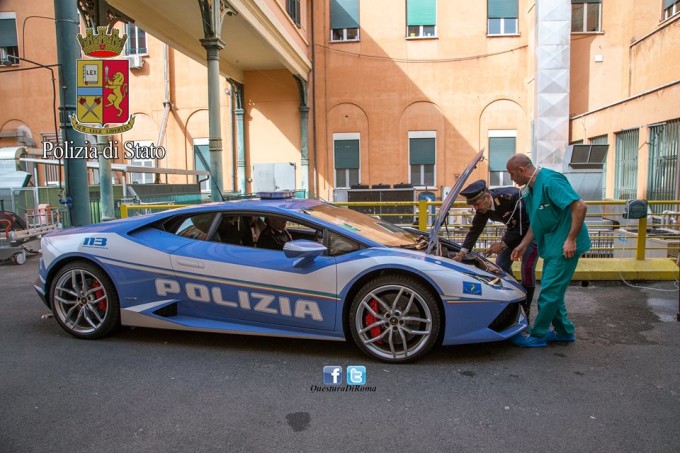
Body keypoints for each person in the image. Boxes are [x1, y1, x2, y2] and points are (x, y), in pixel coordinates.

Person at [506, 154, 591, 348]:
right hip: (554, 244)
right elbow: (538, 222)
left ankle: (538, 335)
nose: (511, 179)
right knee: (554, 290)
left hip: (565, 247)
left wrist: (571, 239)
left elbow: (580, 206)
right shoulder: (531, 189)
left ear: (521, 170)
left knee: (550, 292)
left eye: (511, 174)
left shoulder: (550, 180)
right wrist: (524, 245)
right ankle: (564, 332)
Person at [453, 180, 538, 320]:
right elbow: (475, 230)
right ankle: (515, 297)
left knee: (527, 269)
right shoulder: (484, 208)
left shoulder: (510, 197)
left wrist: (503, 244)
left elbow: (525, 225)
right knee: (501, 265)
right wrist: (461, 254)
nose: (476, 208)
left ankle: (526, 307)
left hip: (531, 232)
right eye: (473, 204)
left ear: (487, 197)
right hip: (513, 232)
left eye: (477, 203)